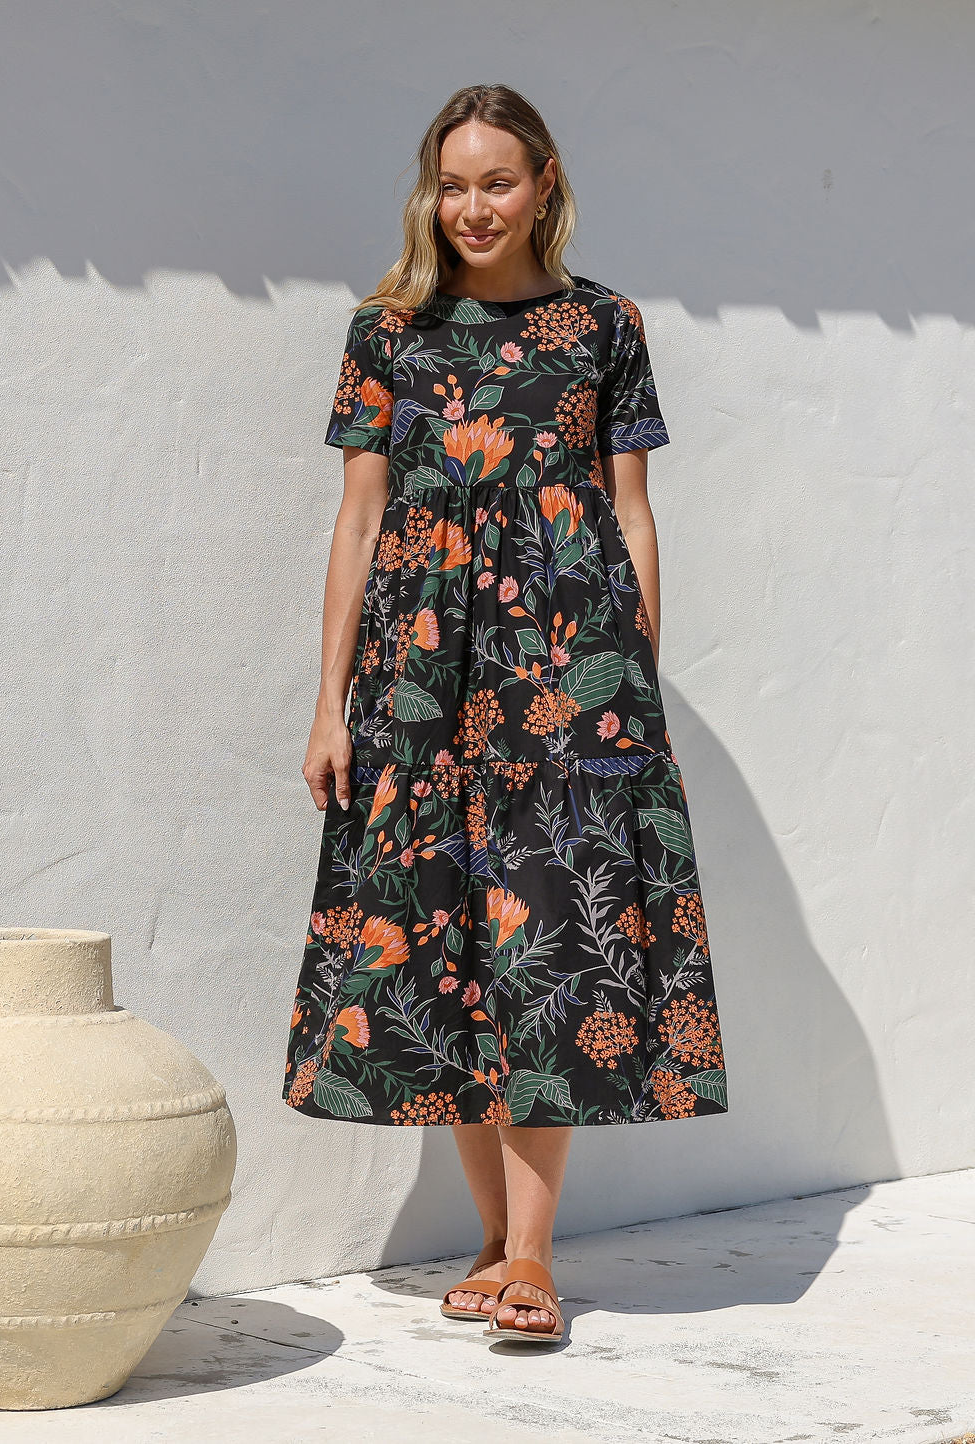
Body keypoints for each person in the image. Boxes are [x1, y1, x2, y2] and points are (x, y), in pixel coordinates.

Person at [282, 83, 728, 1346]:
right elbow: (360, 522)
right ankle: (490, 1240)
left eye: (497, 181)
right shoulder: (390, 330)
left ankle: (531, 1255)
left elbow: (628, 513)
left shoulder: (602, 325)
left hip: (565, 671)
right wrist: (331, 706)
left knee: (551, 936)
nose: (473, 207)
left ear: (543, 183)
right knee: (448, 941)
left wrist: (629, 682)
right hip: (419, 680)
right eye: (453, 183)